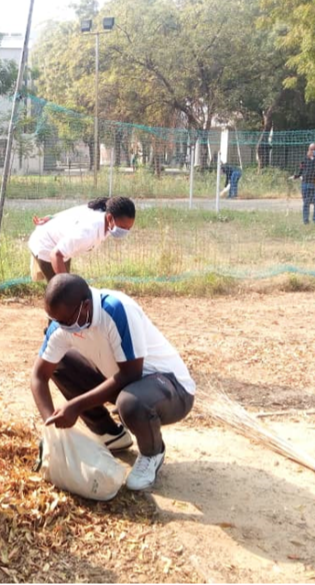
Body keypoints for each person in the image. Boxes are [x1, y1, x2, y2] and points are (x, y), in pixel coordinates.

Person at [31, 274, 195, 491]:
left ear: (86, 306)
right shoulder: (65, 323)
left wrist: (76, 406)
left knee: (131, 404)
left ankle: (152, 453)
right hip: (126, 383)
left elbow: (131, 374)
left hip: (172, 389)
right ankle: (110, 434)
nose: (60, 327)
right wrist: (49, 428)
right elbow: (39, 376)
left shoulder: (117, 309)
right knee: (61, 363)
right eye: (54, 320)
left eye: (65, 321)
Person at [28, 196, 136, 282]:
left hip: (61, 246)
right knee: (62, 294)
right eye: (122, 227)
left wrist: (52, 218)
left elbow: (75, 213)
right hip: (46, 245)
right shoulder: (87, 232)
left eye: (129, 228)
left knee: (66, 292)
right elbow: (55, 255)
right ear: (109, 218)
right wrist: (67, 287)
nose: (125, 231)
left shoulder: (106, 215)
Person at [293, 143, 315, 224]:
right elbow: (301, 171)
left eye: (314, 149)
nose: (312, 151)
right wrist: (296, 176)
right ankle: (305, 220)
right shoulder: (304, 159)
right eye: (311, 149)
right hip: (305, 184)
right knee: (306, 203)